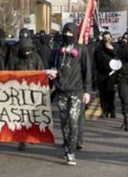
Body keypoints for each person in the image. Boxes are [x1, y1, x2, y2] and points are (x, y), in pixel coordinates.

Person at [49, 23, 92, 166]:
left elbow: (87, 71)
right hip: (61, 91)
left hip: (76, 91)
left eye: (70, 33)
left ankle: (71, 152)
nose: (67, 35)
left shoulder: (82, 50)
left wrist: (87, 91)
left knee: (73, 121)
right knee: (64, 122)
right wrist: (51, 76)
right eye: (65, 33)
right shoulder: (57, 52)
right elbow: (51, 68)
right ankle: (67, 145)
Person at [7, 36, 45, 150]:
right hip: (19, 92)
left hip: (33, 91)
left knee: (32, 116)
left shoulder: (36, 58)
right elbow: (8, 73)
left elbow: (41, 71)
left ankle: (32, 136)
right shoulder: (15, 58)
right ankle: (22, 139)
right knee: (21, 117)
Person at [94, 31, 118, 118]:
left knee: (111, 93)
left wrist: (112, 49)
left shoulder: (115, 46)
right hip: (101, 73)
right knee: (102, 94)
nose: (106, 39)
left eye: (108, 37)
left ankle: (112, 110)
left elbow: (118, 57)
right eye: (105, 38)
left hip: (112, 73)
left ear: (111, 37)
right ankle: (104, 110)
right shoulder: (99, 47)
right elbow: (95, 60)